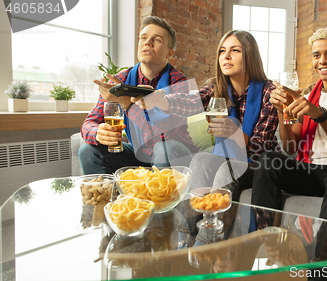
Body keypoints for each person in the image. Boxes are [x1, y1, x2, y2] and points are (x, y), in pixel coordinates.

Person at [250, 27, 327, 261]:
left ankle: (323, 266)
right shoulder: (306, 95)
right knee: (267, 160)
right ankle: (265, 244)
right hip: (311, 171)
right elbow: (291, 148)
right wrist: (281, 112)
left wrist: (320, 115)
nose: (322, 61)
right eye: (316, 55)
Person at [79, 16, 196, 174]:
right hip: (138, 153)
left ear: (170, 52)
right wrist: (98, 133)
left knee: (163, 148)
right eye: (144, 38)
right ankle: (110, 197)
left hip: (175, 153)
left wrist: (127, 104)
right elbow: (89, 123)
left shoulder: (178, 82)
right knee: (88, 151)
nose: (148, 42)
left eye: (157, 39)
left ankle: (162, 197)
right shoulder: (121, 79)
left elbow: (161, 134)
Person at [187, 30, 280, 199]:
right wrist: (159, 100)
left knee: (227, 170)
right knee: (201, 159)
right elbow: (188, 102)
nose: (226, 56)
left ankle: (215, 223)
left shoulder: (269, 92)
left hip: (260, 165)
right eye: (222, 51)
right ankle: (188, 224)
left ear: (250, 56)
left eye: (235, 50)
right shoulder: (217, 88)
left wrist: (236, 134)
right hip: (226, 158)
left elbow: (262, 149)